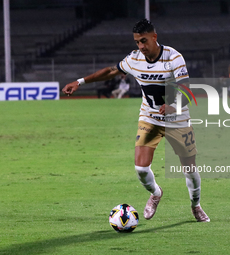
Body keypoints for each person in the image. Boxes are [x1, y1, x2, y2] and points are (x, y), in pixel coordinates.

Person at [62, 19, 210, 222]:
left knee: (190, 170)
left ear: (154, 37)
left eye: (144, 41)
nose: (141, 46)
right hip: (150, 117)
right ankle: (156, 193)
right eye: (137, 42)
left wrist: (174, 106)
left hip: (178, 119)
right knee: (141, 168)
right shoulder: (134, 59)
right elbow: (111, 71)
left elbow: (186, 90)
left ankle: (196, 206)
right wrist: (80, 82)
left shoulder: (174, 57)